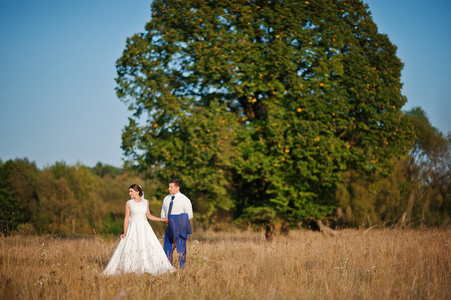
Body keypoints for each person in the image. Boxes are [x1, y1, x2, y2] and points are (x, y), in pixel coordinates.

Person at [101, 184, 175, 276]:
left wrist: (162, 219)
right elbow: (126, 218)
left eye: (131, 191)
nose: (129, 193)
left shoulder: (146, 202)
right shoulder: (129, 203)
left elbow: (149, 216)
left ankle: (148, 266)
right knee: (131, 246)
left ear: (137, 192)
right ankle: (130, 267)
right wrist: (125, 232)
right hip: (133, 228)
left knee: (148, 245)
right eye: (129, 191)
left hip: (144, 227)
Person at [161, 178, 193, 269]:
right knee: (167, 251)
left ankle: (181, 271)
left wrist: (173, 219)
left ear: (178, 187)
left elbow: (189, 215)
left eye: (171, 187)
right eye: (169, 186)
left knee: (181, 252)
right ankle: (168, 270)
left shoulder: (184, 199)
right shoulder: (166, 198)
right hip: (169, 229)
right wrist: (164, 218)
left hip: (180, 229)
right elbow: (163, 211)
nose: (169, 189)